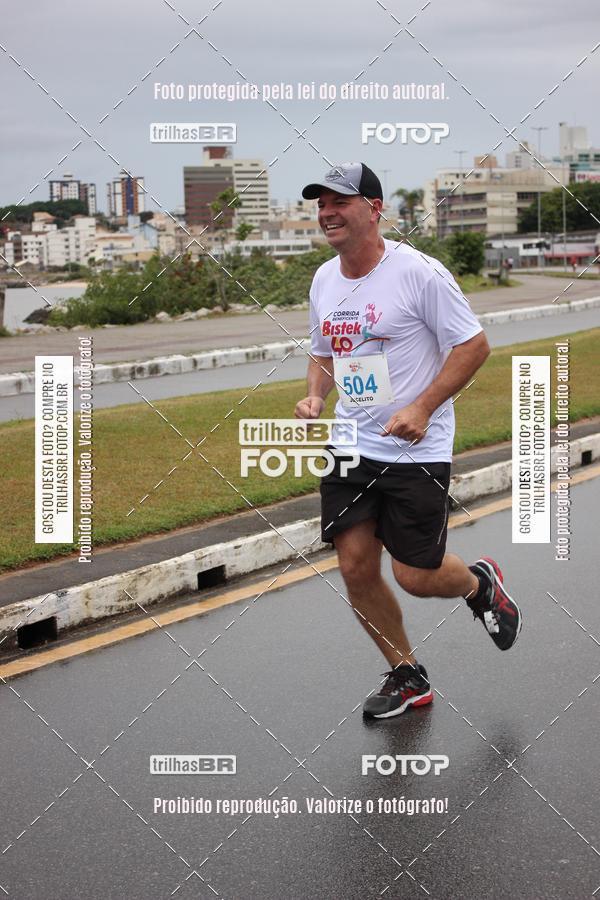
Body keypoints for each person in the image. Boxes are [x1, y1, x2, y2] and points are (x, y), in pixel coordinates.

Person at [294, 162, 522, 720]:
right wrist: (316, 397)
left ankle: (477, 583)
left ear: (374, 209)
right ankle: (406, 675)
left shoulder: (419, 273)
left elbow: (473, 345)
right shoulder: (325, 279)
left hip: (415, 449)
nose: (327, 213)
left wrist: (422, 406)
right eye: (320, 204)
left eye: (339, 202)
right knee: (354, 567)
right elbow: (325, 350)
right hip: (352, 442)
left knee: (416, 575)